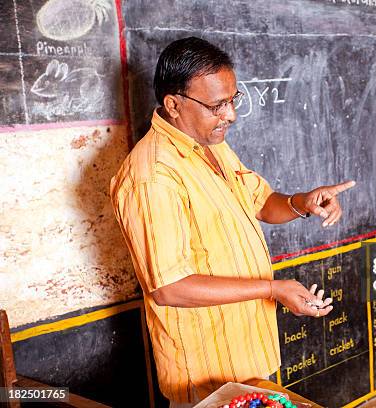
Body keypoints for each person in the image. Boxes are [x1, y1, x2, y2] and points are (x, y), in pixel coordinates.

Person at [110, 36, 355, 406]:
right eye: (217, 105)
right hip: (205, 372)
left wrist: (302, 202)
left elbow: (261, 203)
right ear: (174, 105)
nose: (231, 115)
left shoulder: (212, 145)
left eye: (232, 100)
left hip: (247, 353)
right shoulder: (152, 177)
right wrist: (272, 289)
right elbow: (169, 288)